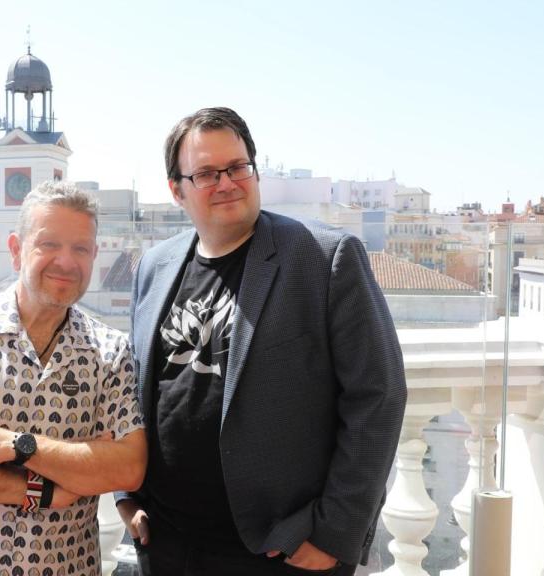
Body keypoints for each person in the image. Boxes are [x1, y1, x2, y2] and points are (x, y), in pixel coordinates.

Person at [116, 107, 407, 575]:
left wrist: (335, 533)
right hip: (167, 542)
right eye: (207, 173)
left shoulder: (323, 258)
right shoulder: (155, 265)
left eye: (238, 167)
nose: (227, 182)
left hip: (277, 551)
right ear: (177, 190)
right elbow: (132, 387)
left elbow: (379, 397)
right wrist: (127, 494)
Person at [0, 181, 147, 576]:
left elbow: (126, 467)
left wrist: (12, 445)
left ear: (95, 256)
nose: (66, 262)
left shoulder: (111, 351)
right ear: (17, 250)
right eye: (49, 244)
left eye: (80, 248)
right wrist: (40, 491)